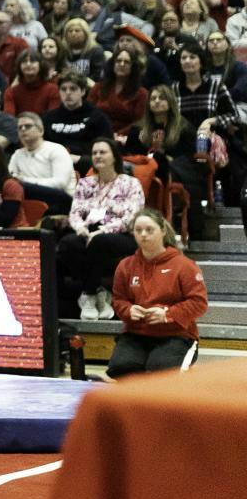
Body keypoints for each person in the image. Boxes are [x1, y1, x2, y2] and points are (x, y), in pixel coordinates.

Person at [106, 209, 208, 377]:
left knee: (161, 371)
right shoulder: (126, 265)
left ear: (163, 231)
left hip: (176, 335)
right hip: (137, 334)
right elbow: (119, 300)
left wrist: (167, 314)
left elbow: (199, 303)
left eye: (149, 230)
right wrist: (128, 310)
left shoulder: (184, 265)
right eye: (138, 231)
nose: (143, 235)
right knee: (121, 368)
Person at [61, 138, 146, 320]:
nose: (97, 156)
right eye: (94, 153)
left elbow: (131, 216)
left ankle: (89, 295)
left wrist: (102, 231)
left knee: (100, 242)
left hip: (121, 233)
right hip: (89, 230)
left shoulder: (130, 183)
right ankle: (98, 293)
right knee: (67, 243)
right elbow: (75, 212)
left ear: (114, 156)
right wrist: (81, 228)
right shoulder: (85, 183)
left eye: (102, 152)